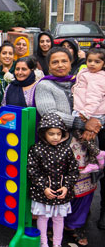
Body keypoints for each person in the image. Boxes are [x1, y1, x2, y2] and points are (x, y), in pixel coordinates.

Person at [34, 47, 105, 247]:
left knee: (86, 187)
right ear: (48, 65)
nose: (60, 65)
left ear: (71, 62)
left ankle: (74, 225)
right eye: (54, 62)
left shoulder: (82, 80)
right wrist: (83, 123)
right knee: (61, 186)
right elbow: (50, 115)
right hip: (60, 148)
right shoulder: (45, 85)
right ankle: (55, 225)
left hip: (86, 146)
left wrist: (96, 123)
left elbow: (100, 104)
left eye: (64, 61)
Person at [27, 113, 79, 247]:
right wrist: (44, 187)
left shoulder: (66, 150)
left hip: (61, 192)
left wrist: (66, 186)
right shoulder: (37, 149)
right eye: (51, 133)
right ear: (44, 133)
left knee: (59, 218)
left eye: (58, 133)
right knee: (43, 217)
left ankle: (57, 244)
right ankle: (43, 243)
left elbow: (73, 170)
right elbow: (32, 170)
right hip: (43, 192)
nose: (56, 137)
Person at [71, 46, 105, 174]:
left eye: (97, 62)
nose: (92, 64)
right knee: (88, 136)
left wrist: (86, 112)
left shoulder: (98, 77)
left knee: (79, 131)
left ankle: (98, 154)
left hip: (91, 112)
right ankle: (93, 161)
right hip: (84, 109)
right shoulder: (86, 72)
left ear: (103, 63)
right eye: (89, 60)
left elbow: (94, 97)